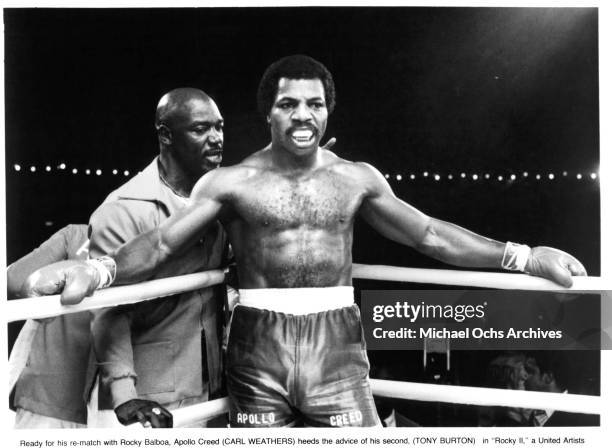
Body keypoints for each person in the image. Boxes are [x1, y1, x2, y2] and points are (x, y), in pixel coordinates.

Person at [24, 55, 587, 428]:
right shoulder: (230, 182)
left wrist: (524, 256)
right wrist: (97, 271)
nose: (302, 115)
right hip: (257, 344)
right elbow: (162, 244)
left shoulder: (356, 179)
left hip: (337, 343)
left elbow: (431, 235)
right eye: (289, 104)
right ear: (268, 113)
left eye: (314, 104)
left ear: (328, 111)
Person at [87, 88, 228, 428]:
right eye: (200, 129)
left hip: (212, 388)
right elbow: (108, 311)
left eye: (220, 127)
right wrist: (125, 395)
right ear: (165, 134)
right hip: (146, 402)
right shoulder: (123, 209)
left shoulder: (220, 199)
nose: (216, 138)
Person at [8, 224, 92, 428]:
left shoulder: (78, 236)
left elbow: (13, 279)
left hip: (50, 392)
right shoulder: (156, 248)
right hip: (57, 393)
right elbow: (13, 280)